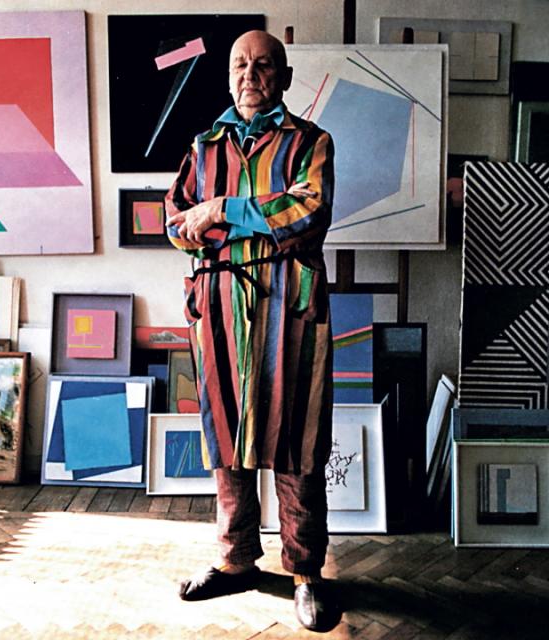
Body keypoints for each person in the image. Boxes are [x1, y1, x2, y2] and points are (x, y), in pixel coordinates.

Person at [165, 30, 336, 631]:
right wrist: (253, 219)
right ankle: (236, 560)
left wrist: (222, 210)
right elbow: (175, 223)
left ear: (283, 78)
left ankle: (306, 571)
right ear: (229, 75)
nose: (250, 75)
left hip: (290, 307)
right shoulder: (204, 144)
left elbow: (307, 211)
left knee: (296, 440)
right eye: (241, 65)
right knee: (226, 435)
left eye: (264, 66)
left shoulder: (311, 141)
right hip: (216, 307)